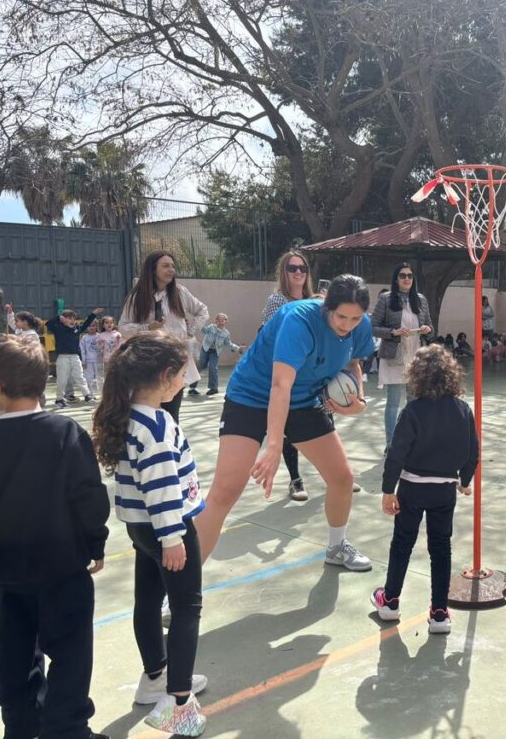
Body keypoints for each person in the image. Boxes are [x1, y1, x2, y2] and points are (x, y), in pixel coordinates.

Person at [193, 275, 375, 571]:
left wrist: (359, 403)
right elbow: (280, 386)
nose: (347, 324)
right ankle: (178, 591)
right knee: (225, 491)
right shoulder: (299, 319)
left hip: (303, 400)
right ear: (327, 306)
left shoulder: (360, 326)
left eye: (355, 318)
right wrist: (274, 445)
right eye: (341, 316)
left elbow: (353, 363)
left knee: (342, 478)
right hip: (251, 396)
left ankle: (336, 547)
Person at [0, 335, 110, 739]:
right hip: (63, 570)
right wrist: (95, 542)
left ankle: (20, 726)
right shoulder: (65, 433)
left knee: (14, 655)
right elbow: (89, 495)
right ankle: (67, 727)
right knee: (71, 652)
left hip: (5, 576)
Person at [90, 332, 208, 735]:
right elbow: (161, 487)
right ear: (166, 376)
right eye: (183, 373)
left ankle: (154, 675)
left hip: (140, 529)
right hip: (166, 528)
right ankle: (179, 701)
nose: (186, 379)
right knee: (187, 607)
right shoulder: (157, 425)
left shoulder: (130, 418)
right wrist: (173, 537)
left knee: (147, 601)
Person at [371, 344, 478, 634]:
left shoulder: (413, 410)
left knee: (402, 543)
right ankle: (440, 612)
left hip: (412, 488)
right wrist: (465, 480)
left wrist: (387, 489)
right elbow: (473, 450)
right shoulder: (462, 409)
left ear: (416, 376)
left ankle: (390, 601)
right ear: (451, 374)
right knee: (441, 548)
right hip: (444, 489)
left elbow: (397, 452)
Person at [119, 250, 209, 422]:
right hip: (148, 363)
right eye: (166, 266)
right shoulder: (137, 296)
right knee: (148, 413)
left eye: (173, 266)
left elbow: (202, 311)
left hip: (175, 363)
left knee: (172, 415)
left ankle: (171, 446)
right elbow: (123, 327)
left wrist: (191, 330)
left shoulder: (180, 292)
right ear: (153, 269)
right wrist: (146, 327)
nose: (171, 270)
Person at [261, 249, 318, 502]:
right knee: (288, 430)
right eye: (292, 268)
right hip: (288, 373)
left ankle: (337, 475)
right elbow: (271, 337)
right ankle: (295, 481)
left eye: (302, 268)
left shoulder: (314, 299)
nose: (298, 272)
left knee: (325, 423)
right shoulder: (277, 300)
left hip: (313, 373)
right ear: (283, 272)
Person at [371, 263, 434, 453]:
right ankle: (391, 444)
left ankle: (412, 439)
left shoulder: (420, 300)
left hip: (416, 356)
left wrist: (427, 330)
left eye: (410, 275)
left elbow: (431, 327)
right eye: (402, 275)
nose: (407, 278)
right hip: (395, 355)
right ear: (396, 279)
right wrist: (393, 331)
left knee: (414, 402)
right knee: (393, 402)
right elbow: (373, 327)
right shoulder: (386, 299)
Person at [46, 308, 103, 408]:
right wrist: (58, 318)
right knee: (62, 379)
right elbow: (48, 324)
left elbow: (86, 323)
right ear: (63, 319)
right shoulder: (58, 328)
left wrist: (93, 314)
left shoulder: (76, 329)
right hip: (63, 357)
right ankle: (59, 399)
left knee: (80, 377)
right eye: (69, 318)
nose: (72, 320)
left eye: (73, 318)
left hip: (75, 357)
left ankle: (87, 396)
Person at [194, 314, 247, 396]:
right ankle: (192, 387)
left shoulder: (226, 333)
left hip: (215, 352)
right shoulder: (211, 327)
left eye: (223, 320)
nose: (220, 322)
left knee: (213, 368)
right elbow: (203, 330)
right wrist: (199, 322)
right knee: (201, 366)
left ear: (226, 322)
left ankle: (213, 388)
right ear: (216, 321)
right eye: (218, 320)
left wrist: (238, 348)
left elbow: (228, 344)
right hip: (205, 349)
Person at [95, 316, 123, 393]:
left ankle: (117, 391)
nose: (109, 324)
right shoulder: (100, 335)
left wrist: (118, 340)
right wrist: (101, 344)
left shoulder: (118, 334)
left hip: (117, 359)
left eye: (111, 322)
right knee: (108, 376)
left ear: (114, 324)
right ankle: (108, 392)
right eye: (106, 323)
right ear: (103, 325)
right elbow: (97, 348)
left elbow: (122, 346)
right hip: (107, 360)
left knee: (117, 376)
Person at [79, 320, 102, 397]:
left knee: (101, 378)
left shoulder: (100, 336)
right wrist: (83, 361)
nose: (91, 327)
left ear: (96, 326)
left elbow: (103, 348)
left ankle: (103, 395)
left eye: (93, 325)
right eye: (89, 326)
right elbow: (82, 350)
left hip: (99, 361)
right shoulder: (84, 338)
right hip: (88, 361)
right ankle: (91, 394)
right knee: (89, 378)